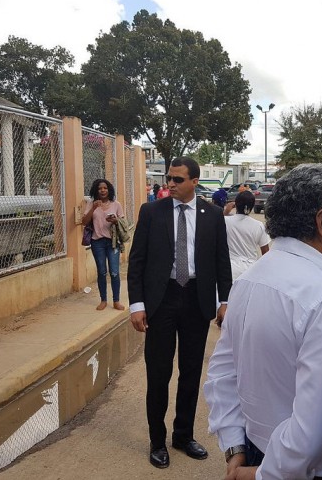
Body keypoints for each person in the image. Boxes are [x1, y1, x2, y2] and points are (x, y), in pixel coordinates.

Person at [205, 163, 322, 480]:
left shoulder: (250, 281)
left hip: (262, 453)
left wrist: (235, 449)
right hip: (314, 471)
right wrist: (263, 474)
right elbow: (315, 425)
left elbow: (222, 373)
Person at [127, 156, 232, 469]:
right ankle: (157, 441)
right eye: (168, 178)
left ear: (194, 181)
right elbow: (137, 262)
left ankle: (183, 435)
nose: (170, 184)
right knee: (158, 373)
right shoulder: (151, 211)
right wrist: (137, 304)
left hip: (197, 300)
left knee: (190, 373)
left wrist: (224, 300)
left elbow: (221, 261)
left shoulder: (213, 215)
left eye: (177, 179)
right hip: (162, 300)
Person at [82, 179, 126, 311]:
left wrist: (115, 220)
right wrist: (94, 208)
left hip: (113, 242)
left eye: (105, 188)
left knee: (114, 272)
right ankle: (103, 300)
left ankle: (116, 301)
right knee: (101, 272)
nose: (102, 190)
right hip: (97, 242)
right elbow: (84, 222)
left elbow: (123, 221)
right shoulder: (91, 204)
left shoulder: (116, 204)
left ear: (109, 190)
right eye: (100, 188)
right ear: (96, 190)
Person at [223, 191, 270, 280]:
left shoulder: (225, 221)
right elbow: (266, 253)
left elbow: (215, 222)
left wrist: (226, 211)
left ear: (235, 205)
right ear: (252, 206)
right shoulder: (258, 225)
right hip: (250, 270)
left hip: (229, 269)